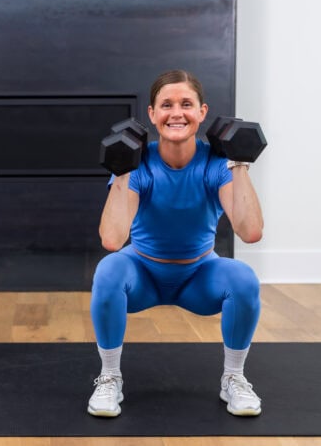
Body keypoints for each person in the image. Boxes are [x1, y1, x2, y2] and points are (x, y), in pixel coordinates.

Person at [87, 69, 264, 417]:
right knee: (108, 270)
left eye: (186, 104)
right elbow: (112, 239)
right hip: (143, 275)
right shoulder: (138, 164)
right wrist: (122, 172)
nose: (176, 113)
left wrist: (239, 163)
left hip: (199, 276)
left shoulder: (216, 164)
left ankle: (234, 378)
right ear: (152, 115)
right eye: (166, 105)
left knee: (243, 278)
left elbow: (250, 231)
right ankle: (109, 377)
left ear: (202, 112)